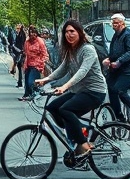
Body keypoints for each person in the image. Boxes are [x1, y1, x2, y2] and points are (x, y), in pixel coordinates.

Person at [35, 19, 107, 160]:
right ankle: (79, 133)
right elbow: (63, 69)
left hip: (94, 91)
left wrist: (64, 87)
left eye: (72, 31)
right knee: (52, 107)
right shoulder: (71, 50)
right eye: (66, 32)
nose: (69, 34)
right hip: (79, 91)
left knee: (66, 110)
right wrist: (46, 79)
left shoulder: (88, 49)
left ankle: (83, 145)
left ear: (79, 33)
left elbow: (82, 71)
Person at [102, 13, 130, 128]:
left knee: (120, 90)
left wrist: (119, 61)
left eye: (116, 23)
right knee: (111, 88)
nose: (114, 25)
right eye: (113, 23)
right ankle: (119, 117)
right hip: (117, 69)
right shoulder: (116, 36)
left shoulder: (128, 35)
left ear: (122, 23)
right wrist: (108, 59)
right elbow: (114, 52)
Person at [20, 26, 48, 101]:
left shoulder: (40, 41)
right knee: (26, 81)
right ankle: (27, 95)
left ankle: (35, 94)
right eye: (31, 32)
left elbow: (44, 54)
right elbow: (25, 52)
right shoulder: (27, 41)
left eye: (34, 32)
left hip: (36, 65)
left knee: (31, 82)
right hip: (28, 64)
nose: (33, 34)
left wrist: (41, 64)